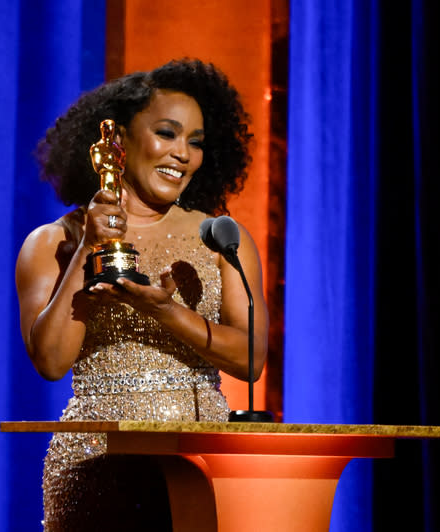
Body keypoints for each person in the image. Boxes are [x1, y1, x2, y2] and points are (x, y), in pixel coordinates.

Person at [15, 58, 268, 531]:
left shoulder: (220, 238)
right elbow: (50, 361)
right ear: (117, 141)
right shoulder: (54, 242)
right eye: (167, 134)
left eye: (195, 142)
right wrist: (89, 247)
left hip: (199, 465)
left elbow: (251, 358)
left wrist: (168, 312)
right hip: (95, 466)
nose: (182, 154)